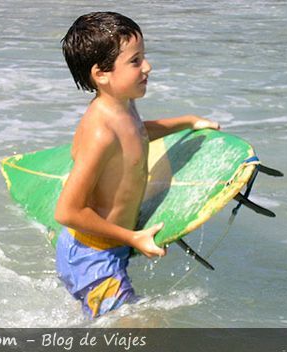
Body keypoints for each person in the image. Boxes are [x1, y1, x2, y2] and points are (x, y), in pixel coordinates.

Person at [54, 11, 220, 319]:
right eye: (135, 61)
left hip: (110, 248)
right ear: (101, 74)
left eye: (143, 57)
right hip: (93, 257)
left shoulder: (122, 104)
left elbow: (139, 134)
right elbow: (67, 211)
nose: (147, 66)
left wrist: (186, 122)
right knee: (140, 333)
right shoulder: (100, 132)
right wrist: (133, 238)